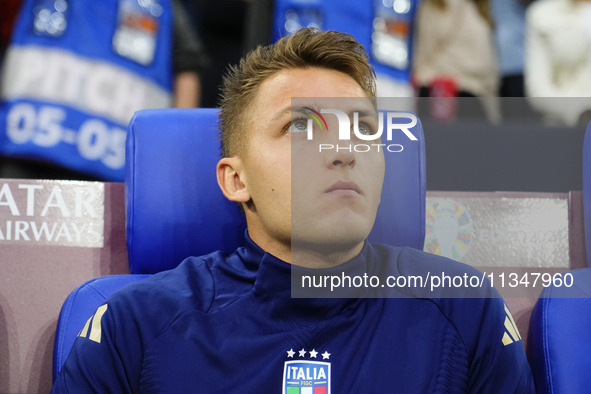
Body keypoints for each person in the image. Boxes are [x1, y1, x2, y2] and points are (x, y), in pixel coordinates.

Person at [51, 28, 535, 392]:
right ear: (236, 180)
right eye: (302, 128)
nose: (343, 149)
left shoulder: (465, 310)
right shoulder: (134, 324)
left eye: (363, 128)